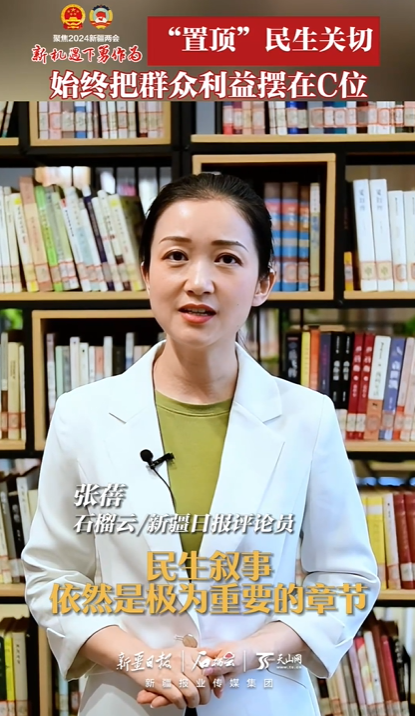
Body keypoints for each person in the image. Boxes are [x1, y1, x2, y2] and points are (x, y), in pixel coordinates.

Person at [22, 172, 380, 716]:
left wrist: (246, 654)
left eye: (227, 259)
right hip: (129, 700)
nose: (199, 281)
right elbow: (54, 577)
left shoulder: (307, 418)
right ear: (146, 273)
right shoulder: (83, 415)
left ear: (263, 283)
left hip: (260, 698)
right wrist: (141, 660)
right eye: (176, 256)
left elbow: (345, 578)